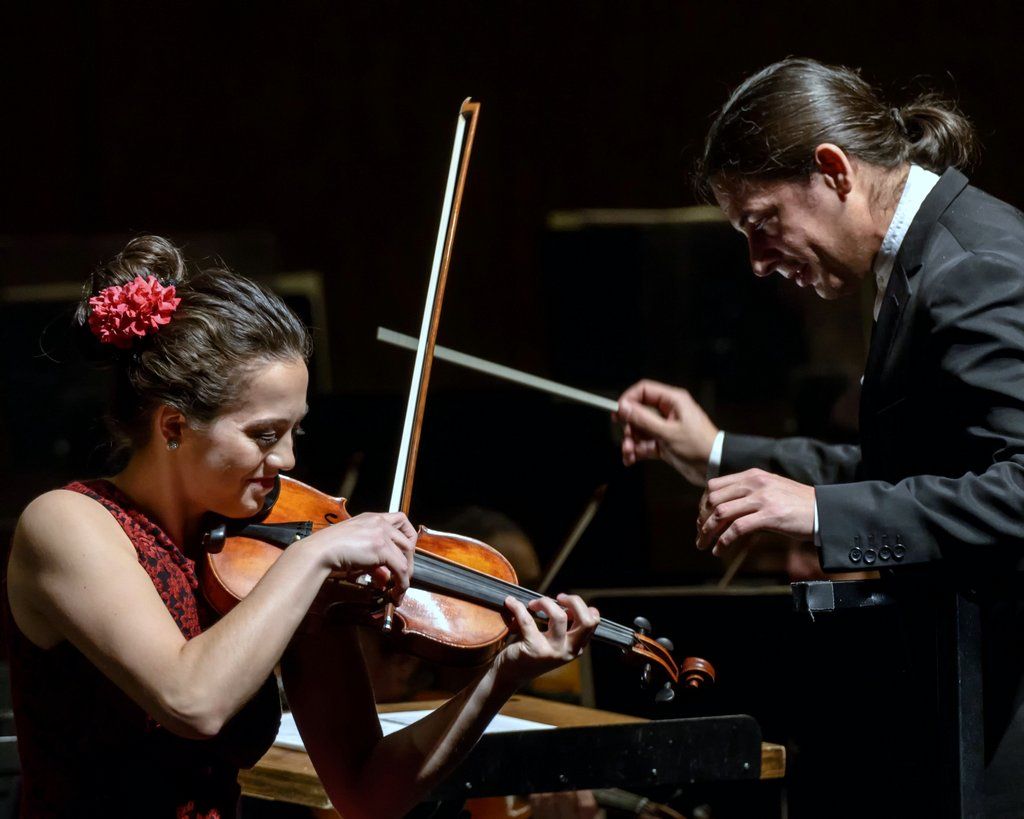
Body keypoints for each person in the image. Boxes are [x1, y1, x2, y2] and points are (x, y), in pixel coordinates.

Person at [1, 235, 599, 819]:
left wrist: (501, 676)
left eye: (294, 433)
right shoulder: (68, 525)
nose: (287, 460)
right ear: (174, 427)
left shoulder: (268, 555)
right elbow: (191, 700)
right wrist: (311, 561)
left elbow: (368, 792)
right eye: (264, 435)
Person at [615, 58, 1024, 814]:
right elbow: (904, 468)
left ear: (833, 171)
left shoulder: (969, 266)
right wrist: (712, 451)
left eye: (762, 224)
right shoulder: (926, 260)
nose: (759, 262)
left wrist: (823, 516)